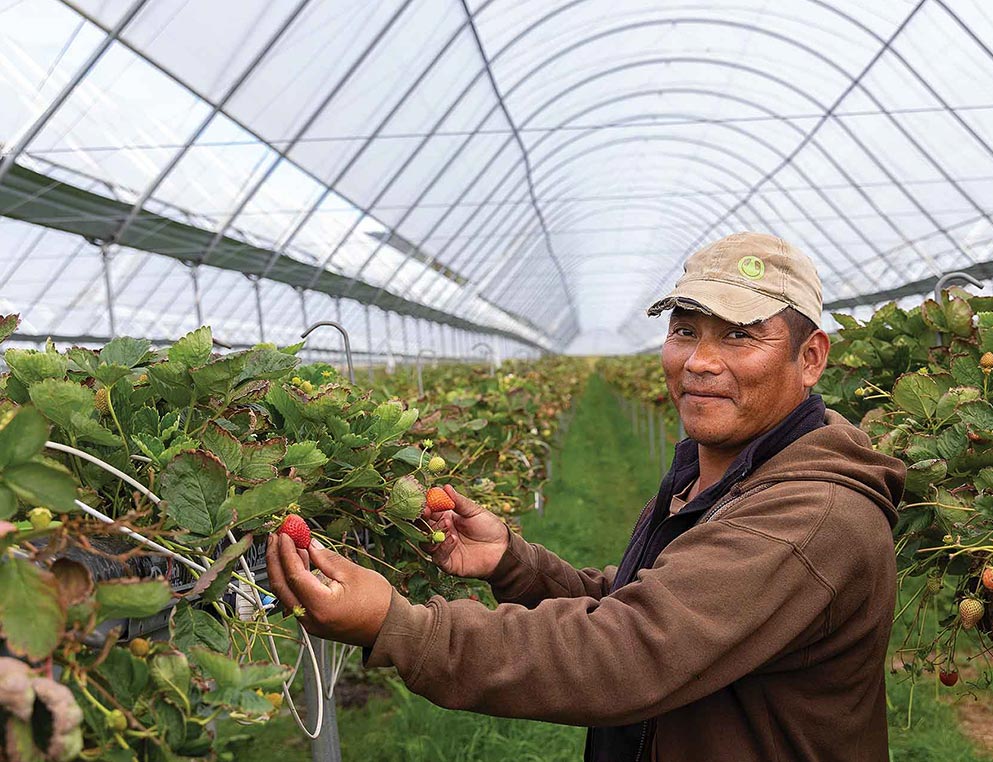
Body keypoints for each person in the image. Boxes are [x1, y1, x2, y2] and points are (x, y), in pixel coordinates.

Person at [266, 231, 906, 761]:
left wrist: (399, 626)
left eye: (739, 336)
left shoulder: (810, 519)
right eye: (686, 331)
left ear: (811, 358)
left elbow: (631, 648)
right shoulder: (724, 470)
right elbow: (656, 602)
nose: (700, 362)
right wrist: (512, 564)